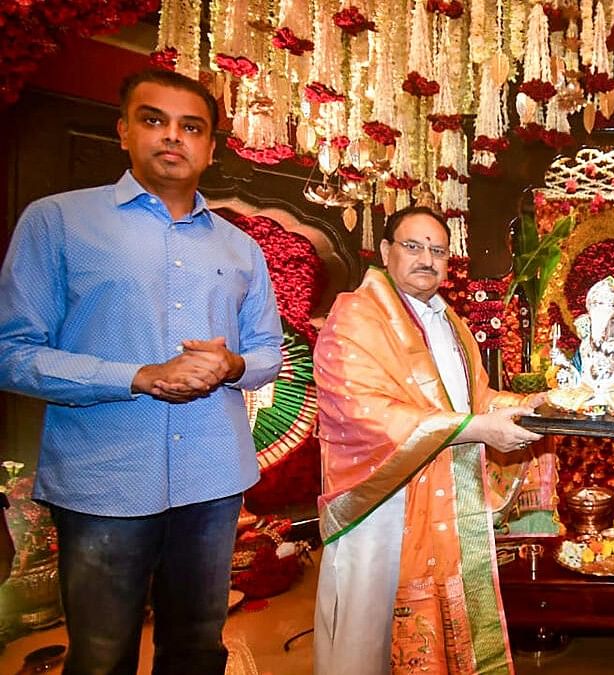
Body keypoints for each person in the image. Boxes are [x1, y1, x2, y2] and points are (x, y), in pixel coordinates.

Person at [0, 69, 284, 673]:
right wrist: (137, 376)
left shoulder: (241, 247)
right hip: (105, 478)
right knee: (101, 656)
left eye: (191, 127)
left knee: (196, 649)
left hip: (212, 476)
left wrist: (232, 363)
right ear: (124, 131)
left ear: (211, 147)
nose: (172, 138)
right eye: (154, 120)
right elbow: (13, 353)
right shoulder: (58, 222)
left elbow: (267, 355)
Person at [313, 206, 543, 675]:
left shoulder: (450, 322)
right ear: (385, 251)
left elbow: (476, 399)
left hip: (445, 492)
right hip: (382, 501)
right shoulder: (357, 315)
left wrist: (536, 405)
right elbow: (361, 411)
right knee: (367, 632)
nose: (427, 259)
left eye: (438, 250)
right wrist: (474, 429)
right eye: (413, 246)